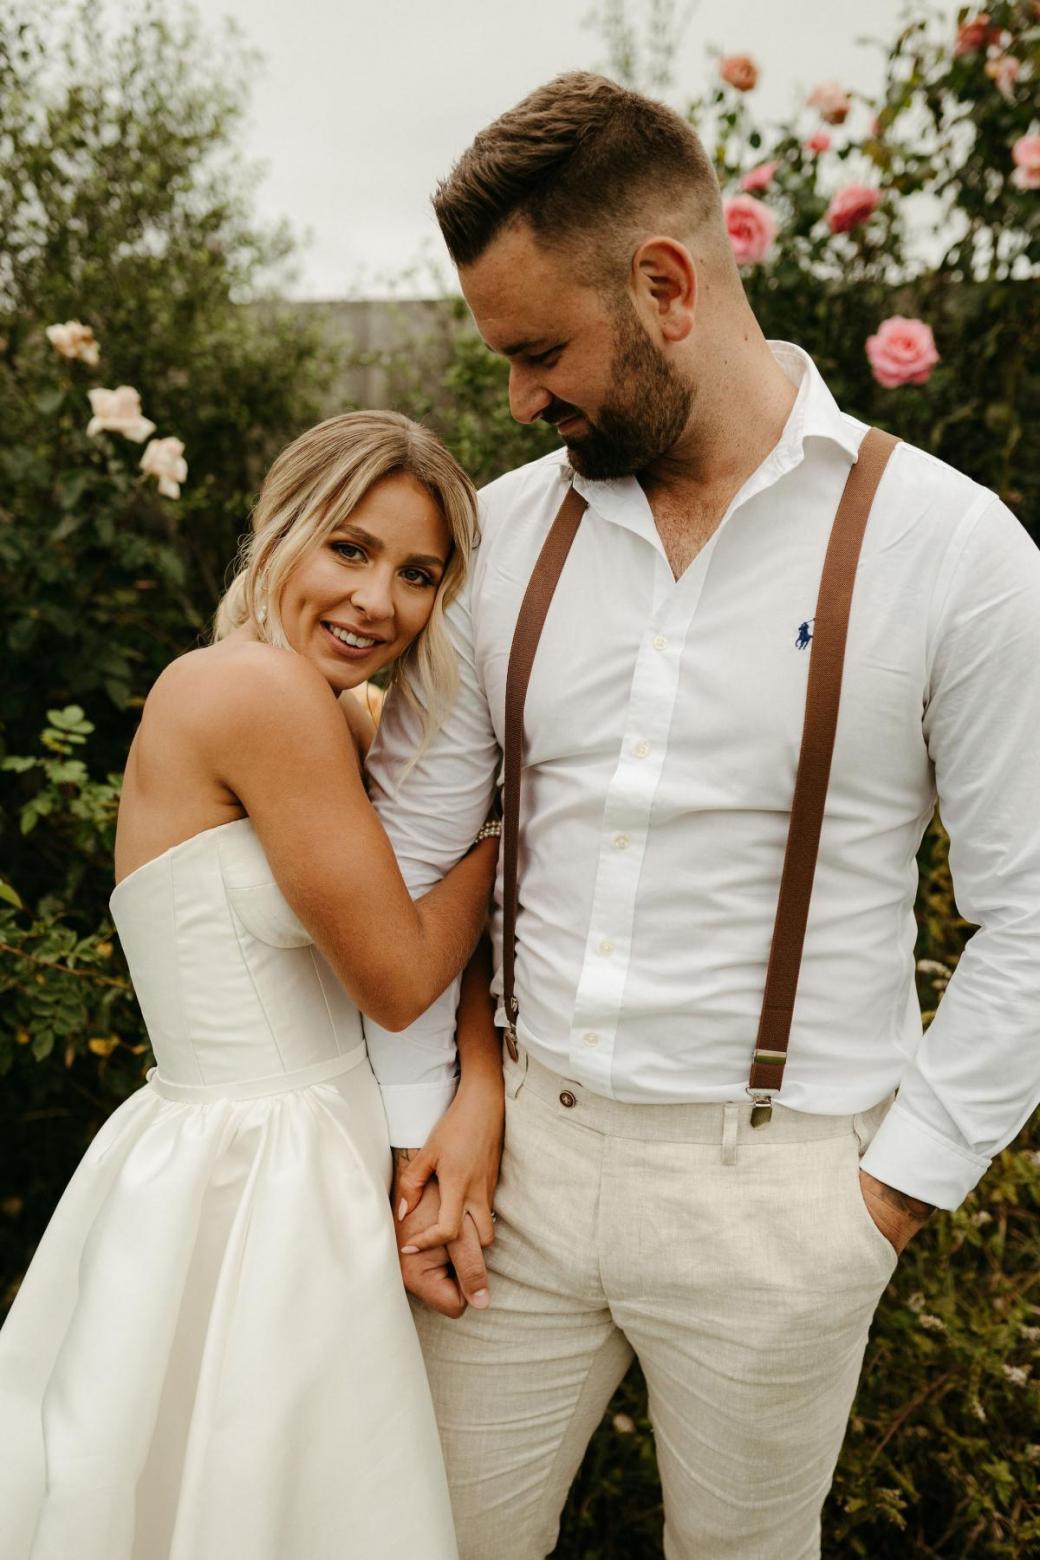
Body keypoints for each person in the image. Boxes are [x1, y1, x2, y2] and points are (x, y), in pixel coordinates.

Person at [363, 74, 1040, 1559]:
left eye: (541, 350)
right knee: (422, 1538)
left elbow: (1031, 924)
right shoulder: (503, 536)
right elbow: (415, 858)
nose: (524, 397)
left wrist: (881, 1201)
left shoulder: (954, 551)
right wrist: (429, 1118)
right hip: (508, 1174)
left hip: (781, 1193)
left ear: (666, 284)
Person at [0, 410, 506, 1560]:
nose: (379, 600)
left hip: (266, 1142)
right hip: (260, 1171)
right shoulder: (255, 696)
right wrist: (504, 820)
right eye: (349, 548)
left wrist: (475, 1079)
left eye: (418, 573)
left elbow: (420, 952)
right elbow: (399, 974)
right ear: (280, 533)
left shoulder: (323, 713)